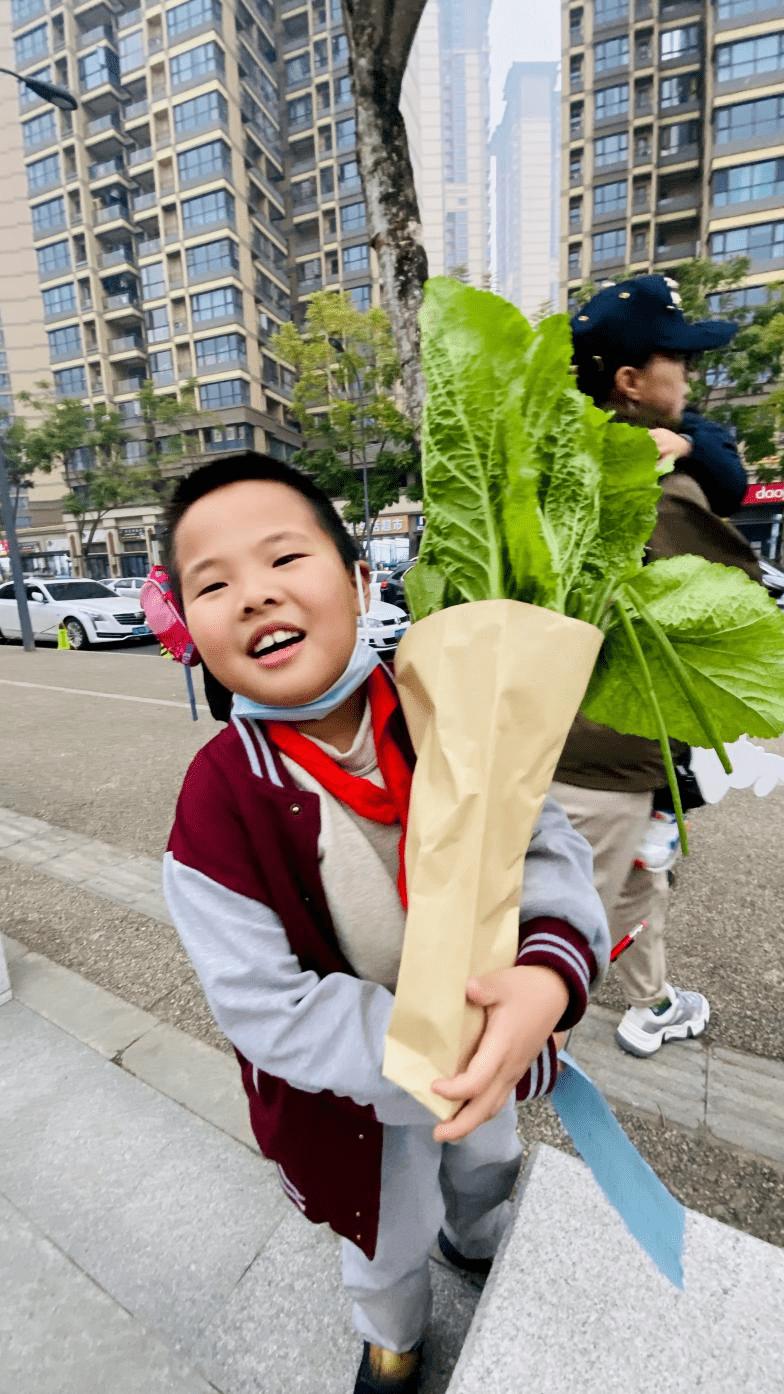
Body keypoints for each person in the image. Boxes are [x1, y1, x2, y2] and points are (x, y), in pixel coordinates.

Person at [161, 452, 609, 1394]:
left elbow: (545, 844)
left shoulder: (444, 704)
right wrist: (433, 1057)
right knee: (384, 1235)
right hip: (355, 1095)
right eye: (214, 582)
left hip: (491, 1051)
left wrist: (547, 977)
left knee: (490, 1164)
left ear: (362, 581)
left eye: (285, 559)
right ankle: (394, 1336)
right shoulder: (218, 798)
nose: (254, 595)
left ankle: (486, 1242)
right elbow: (263, 1003)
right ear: (191, 628)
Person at [551, 275, 760, 1059]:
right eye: (680, 359)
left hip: (604, 754)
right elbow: (728, 616)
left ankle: (654, 1001)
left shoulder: (569, 463)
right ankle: (523, 1055)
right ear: (633, 382)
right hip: (600, 754)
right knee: (564, 922)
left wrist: (687, 439)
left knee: (637, 884)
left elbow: (725, 468)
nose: (691, 375)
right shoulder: (649, 491)